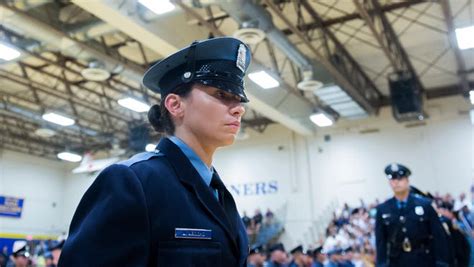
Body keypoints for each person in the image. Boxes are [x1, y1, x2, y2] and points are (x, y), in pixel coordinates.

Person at [59, 37, 252, 266]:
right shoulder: (132, 182)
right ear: (175, 105)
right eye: (222, 94)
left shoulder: (219, 193)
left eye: (239, 99)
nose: (238, 108)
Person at [375, 163, 449, 266]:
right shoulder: (383, 209)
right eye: (392, 180)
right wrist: (381, 264)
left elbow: (438, 236)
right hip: (397, 261)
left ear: (407, 180)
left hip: (424, 259)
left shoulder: (425, 205)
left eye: (400, 178)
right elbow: (381, 242)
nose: (396, 182)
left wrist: (442, 262)